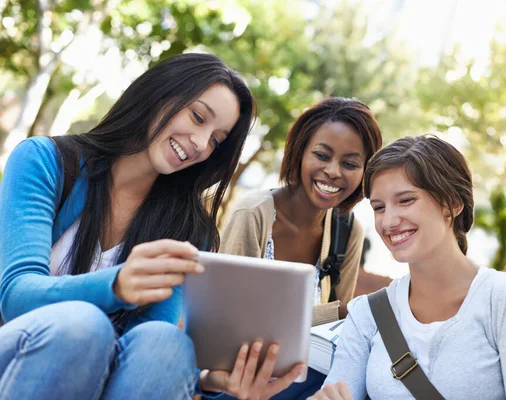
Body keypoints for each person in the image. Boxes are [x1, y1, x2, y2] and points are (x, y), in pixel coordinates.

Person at [0, 53, 304, 400]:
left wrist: (210, 380)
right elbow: (15, 295)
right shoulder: (46, 161)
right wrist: (117, 285)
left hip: (101, 383)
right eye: (198, 116)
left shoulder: (191, 229)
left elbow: (148, 347)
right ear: (160, 93)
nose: (201, 144)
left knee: (166, 341)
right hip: (18, 358)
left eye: (216, 140)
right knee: (86, 325)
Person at [308, 134, 506, 399]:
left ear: (452, 203)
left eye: (406, 200)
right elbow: (336, 392)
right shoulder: (368, 314)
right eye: (379, 207)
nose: (389, 221)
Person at [219, 97, 383, 399]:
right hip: (238, 376)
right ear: (299, 153)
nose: (333, 171)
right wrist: (342, 310)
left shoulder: (348, 230)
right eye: (322, 155)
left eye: (350, 164)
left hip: (305, 374)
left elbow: (336, 328)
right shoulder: (253, 213)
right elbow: (228, 321)